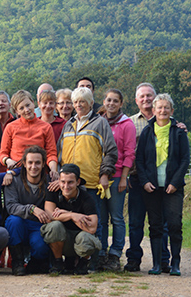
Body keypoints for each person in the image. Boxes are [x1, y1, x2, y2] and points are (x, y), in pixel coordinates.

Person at [57, 87, 117, 271]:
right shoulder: (68, 124)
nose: (78, 105)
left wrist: (105, 174)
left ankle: (94, 261)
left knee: (93, 223)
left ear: (91, 103)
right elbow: (60, 152)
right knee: (72, 222)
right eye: (75, 102)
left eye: (82, 101)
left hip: (91, 182)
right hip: (69, 184)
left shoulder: (100, 123)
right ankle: (74, 259)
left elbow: (111, 151)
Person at [136, 94, 189, 276]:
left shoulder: (179, 132)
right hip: (152, 187)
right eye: (159, 108)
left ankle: (175, 264)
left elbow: (184, 160)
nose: (163, 111)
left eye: (166, 108)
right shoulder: (147, 132)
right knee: (155, 225)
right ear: (154, 110)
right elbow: (139, 159)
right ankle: (157, 264)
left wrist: (175, 182)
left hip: (172, 188)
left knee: (174, 224)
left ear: (171, 111)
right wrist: (144, 181)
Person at [125, 83, 172, 272]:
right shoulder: (129, 122)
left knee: (161, 222)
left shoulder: (169, 121)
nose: (146, 99)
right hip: (137, 179)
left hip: (161, 182)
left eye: (149, 95)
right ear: (136, 100)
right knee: (135, 222)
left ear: (155, 98)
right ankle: (134, 259)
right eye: (142, 96)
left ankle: (163, 260)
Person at [98, 89, 136, 271]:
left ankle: (115, 254)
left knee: (117, 218)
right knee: (101, 218)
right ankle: (101, 252)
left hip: (117, 176)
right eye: (108, 100)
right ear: (103, 102)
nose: (111, 104)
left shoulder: (127, 124)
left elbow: (129, 153)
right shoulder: (98, 121)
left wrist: (124, 178)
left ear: (121, 103)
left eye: (115, 101)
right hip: (97, 177)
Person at [41, 164, 102, 275]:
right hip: (61, 240)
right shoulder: (52, 192)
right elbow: (49, 216)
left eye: (70, 182)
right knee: (54, 226)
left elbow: (92, 228)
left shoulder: (87, 198)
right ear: (58, 181)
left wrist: (67, 213)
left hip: (79, 241)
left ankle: (83, 262)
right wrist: (72, 216)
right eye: (63, 182)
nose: (66, 186)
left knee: (86, 237)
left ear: (78, 182)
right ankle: (58, 262)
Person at [5, 146, 53, 276]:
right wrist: (31, 209)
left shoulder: (49, 183)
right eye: (30, 162)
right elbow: (11, 206)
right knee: (13, 221)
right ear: (24, 164)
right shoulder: (13, 181)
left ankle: (36, 261)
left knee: (40, 248)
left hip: (39, 225)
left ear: (43, 164)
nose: (34, 166)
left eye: (38, 162)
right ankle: (17, 261)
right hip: (20, 223)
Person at [0, 90, 59, 179]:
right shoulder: (11, 127)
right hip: (16, 173)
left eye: (28, 105)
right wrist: (8, 161)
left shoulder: (46, 127)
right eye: (21, 108)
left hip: (38, 174)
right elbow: (3, 153)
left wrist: (53, 170)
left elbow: (51, 153)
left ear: (33, 103)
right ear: (17, 111)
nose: (26, 110)